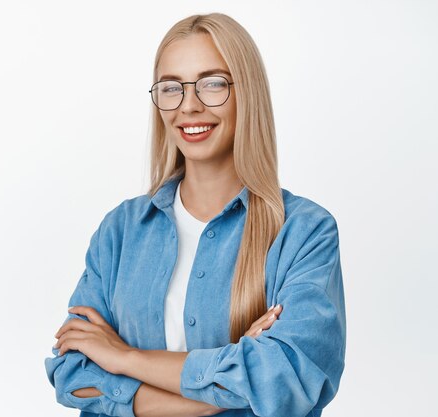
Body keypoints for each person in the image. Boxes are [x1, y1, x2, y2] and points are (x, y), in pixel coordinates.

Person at [45, 12, 345, 417]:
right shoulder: (120, 230)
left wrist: (123, 358)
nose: (189, 105)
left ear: (247, 93)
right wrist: (221, 387)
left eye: (213, 84)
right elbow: (71, 371)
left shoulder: (304, 232)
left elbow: (285, 380)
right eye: (172, 88)